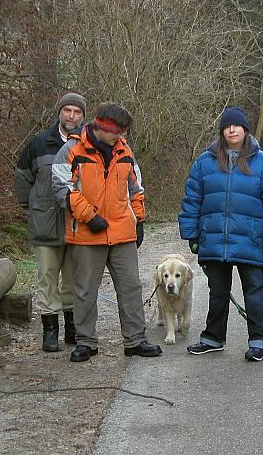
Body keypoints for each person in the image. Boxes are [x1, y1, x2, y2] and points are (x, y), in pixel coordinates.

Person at [52, 102, 162, 362]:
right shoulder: (71, 150)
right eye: (117, 132)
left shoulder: (125, 151)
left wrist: (140, 220)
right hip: (87, 233)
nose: (120, 137)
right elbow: (61, 189)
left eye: (123, 133)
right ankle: (86, 343)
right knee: (85, 291)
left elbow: (136, 188)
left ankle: (135, 340)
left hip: (122, 232)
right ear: (101, 126)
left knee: (131, 288)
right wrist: (89, 216)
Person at [178, 106, 263, 362]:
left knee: (255, 291)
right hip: (214, 240)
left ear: (245, 130)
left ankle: (259, 341)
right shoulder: (204, 163)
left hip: (251, 241)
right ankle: (212, 338)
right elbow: (192, 200)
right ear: (222, 132)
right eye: (227, 126)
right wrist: (192, 234)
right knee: (217, 291)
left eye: (237, 126)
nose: (232, 129)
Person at [14, 92, 86, 352]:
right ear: (59, 112)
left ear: (83, 117)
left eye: (77, 112)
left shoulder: (87, 145)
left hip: (76, 224)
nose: (71, 116)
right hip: (45, 224)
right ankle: (50, 332)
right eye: (67, 110)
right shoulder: (39, 144)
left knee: (72, 279)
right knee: (47, 278)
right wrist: (33, 207)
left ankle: (72, 329)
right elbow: (22, 178)